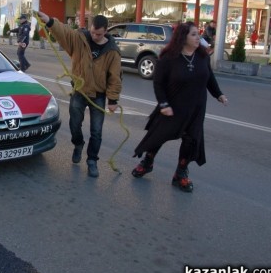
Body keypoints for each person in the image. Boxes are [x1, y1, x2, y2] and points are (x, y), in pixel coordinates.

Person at [131, 21, 228, 192]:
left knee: (191, 140)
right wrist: (164, 105)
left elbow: (209, 77)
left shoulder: (202, 56)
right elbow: (158, 84)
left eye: (198, 34)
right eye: (193, 34)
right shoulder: (169, 58)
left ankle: (180, 174)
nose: (198, 37)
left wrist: (218, 94)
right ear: (183, 37)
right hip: (172, 107)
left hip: (196, 108)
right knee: (159, 136)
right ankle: (147, 162)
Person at [36, 11, 122, 178]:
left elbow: (115, 76)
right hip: (79, 91)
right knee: (75, 124)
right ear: (90, 27)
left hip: (99, 94)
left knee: (97, 131)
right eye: (93, 32)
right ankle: (78, 144)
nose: (95, 36)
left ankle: (92, 161)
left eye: (99, 33)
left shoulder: (112, 51)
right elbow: (65, 32)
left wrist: (113, 99)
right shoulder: (79, 39)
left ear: (105, 31)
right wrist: (50, 21)